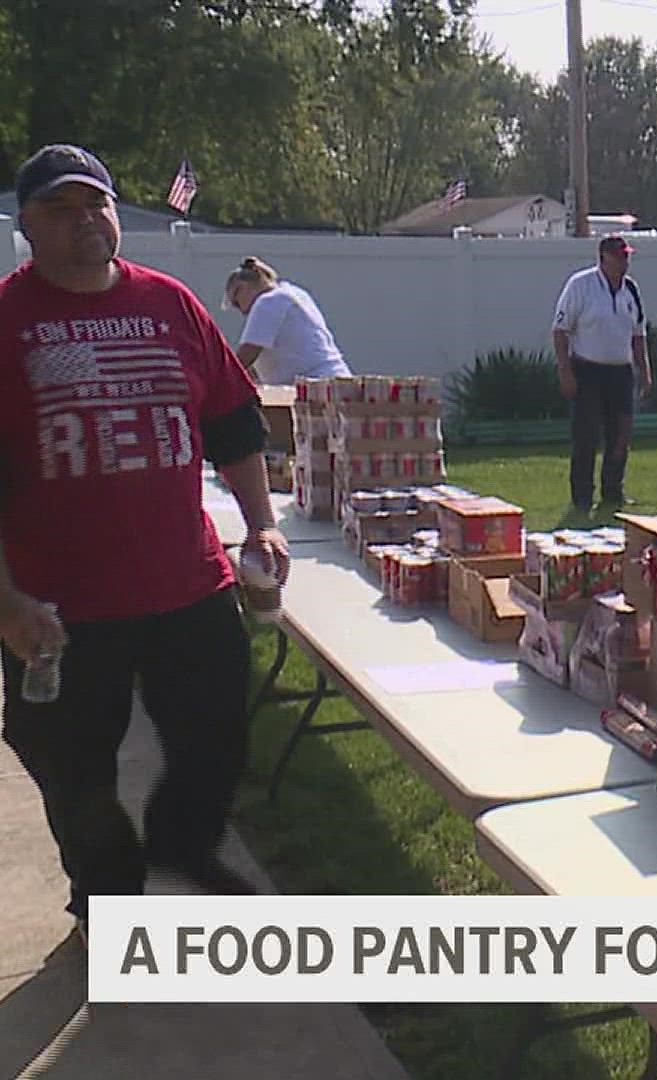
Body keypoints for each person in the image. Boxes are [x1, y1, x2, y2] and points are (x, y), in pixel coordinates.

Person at [0, 144, 287, 932]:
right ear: (26, 225)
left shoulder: (171, 305)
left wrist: (261, 522)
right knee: (72, 769)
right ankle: (106, 892)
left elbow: (232, 423)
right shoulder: (6, 322)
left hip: (187, 585)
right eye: (61, 210)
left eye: (95, 204)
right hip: (60, 610)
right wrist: (7, 604)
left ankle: (181, 843)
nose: (84, 222)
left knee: (217, 737)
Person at [552, 235, 652, 513]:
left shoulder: (630, 290)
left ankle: (613, 490)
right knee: (586, 435)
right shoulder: (580, 285)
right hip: (587, 369)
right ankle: (582, 495)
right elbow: (560, 330)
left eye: (627, 255)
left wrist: (645, 371)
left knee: (621, 434)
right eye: (619, 256)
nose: (625, 261)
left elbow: (638, 334)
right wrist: (565, 371)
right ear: (604, 257)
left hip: (620, 372)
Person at [224, 256, 354, 384]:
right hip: (335, 379)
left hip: (318, 385)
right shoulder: (293, 293)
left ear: (243, 286)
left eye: (236, 302)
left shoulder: (268, 302)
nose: (240, 309)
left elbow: (246, 356)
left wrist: (218, 382)